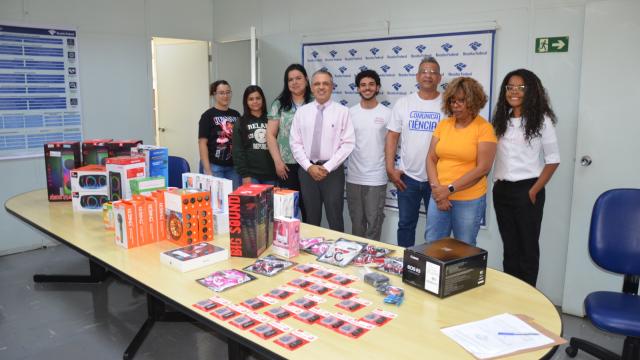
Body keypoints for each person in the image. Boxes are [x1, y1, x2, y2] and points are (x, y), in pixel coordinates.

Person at [492, 69, 560, 287]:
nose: (514, 92)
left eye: (520, 88)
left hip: (528, 190)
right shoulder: (502, 120)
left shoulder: (542, 120)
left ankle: (529, 300)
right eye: (510, 87)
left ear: (531, 91)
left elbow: (553, 160)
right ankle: (512, 299)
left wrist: (534, 190)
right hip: (502, 191)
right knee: (510, 249)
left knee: (527, 250)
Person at [425, 76, 496, 246]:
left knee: (464, 248)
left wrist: (448, 190)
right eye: (452, 101)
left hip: (469, 199)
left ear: (473, 102)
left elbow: (483, 168)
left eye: (461, 101)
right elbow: (431, 158)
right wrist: (437, 191)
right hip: (439, 196)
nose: (455, 106)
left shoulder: (484, 128)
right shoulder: (443, 125)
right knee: (432, 245)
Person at [385, 56, 444, 247]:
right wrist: (390, 168)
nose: (428, 76)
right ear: (417, 76)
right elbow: (392, 136)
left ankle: (432, 271)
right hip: (408, 178)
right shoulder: (404, 103)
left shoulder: (448, 105)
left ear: (440, 78)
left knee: (436, 230)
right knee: (405, 225)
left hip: (437, 179)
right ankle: (404, 267)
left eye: (433, 72)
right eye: (424, 72)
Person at [290, 69, 355, 231]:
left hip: (332, 172)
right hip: (307, 171)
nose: (321, 87)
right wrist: (309, 166)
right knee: (311, 218)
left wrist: (326, 167)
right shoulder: (302, 112)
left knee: (335, 218)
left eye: (325, 83)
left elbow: (348, 143)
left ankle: (338, 252)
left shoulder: (342, 112)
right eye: (317, 83)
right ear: (311, 87)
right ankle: (312, 253)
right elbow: (295, 143)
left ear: (332, 87)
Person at [346, 69, 390, 241]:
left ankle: (371, 262)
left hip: (376, 178)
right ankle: (356, 262)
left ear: (377, 87)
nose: (367, 88)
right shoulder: (350, 113)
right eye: (363, 85)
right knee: (357, 224)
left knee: (374, 223)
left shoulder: (387, 114)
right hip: (354, 177)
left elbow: (392, 146)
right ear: (358, 89)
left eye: (371, 84)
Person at [267, 64, 313, 219]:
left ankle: (309, 241)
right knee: (288, 209)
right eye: (290, 79)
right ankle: (288, 241)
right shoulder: (279, 104)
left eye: (298, 78)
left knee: (309, 207)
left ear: (306, 79)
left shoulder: (315, 102)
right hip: (287, 165)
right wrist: (277, 162)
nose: (294, 82)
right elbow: (270, 135)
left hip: (309, 164)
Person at [198, 80, 242, 189]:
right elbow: (202, 143)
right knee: (216, 201)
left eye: (228, 92)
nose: (225, 96)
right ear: (214, 94)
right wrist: (207, 170)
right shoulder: (207, 116)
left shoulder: (236, 115)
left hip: (233, 167)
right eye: (221, 93)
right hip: (214, 166)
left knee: (233, 200)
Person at [232, 85, 277, 185]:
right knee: (253, 201)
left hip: (271, 174)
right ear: (246, 102)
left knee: (270, 201)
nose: (255, 101)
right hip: (251, 176)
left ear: (263, 100)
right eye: (251, 99)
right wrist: (245, 174)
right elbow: (237, 151)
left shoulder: (271, 119)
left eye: (258, 98)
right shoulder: (240, 122)